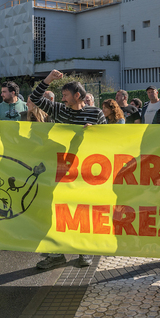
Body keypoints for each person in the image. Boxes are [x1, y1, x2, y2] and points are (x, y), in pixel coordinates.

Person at [31, 69, 107, 269]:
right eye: (62, 96)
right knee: (58, 212)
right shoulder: (59, 110)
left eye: (65, 95)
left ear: (78, 96)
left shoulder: (96, 113)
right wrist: (48, 79)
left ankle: (85, 251)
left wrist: (96, 133)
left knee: (83, 212)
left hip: (85, 173)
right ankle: (57, 254)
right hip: (61, 171)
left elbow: (109, 141)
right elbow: (35, 98)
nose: (62, 99)